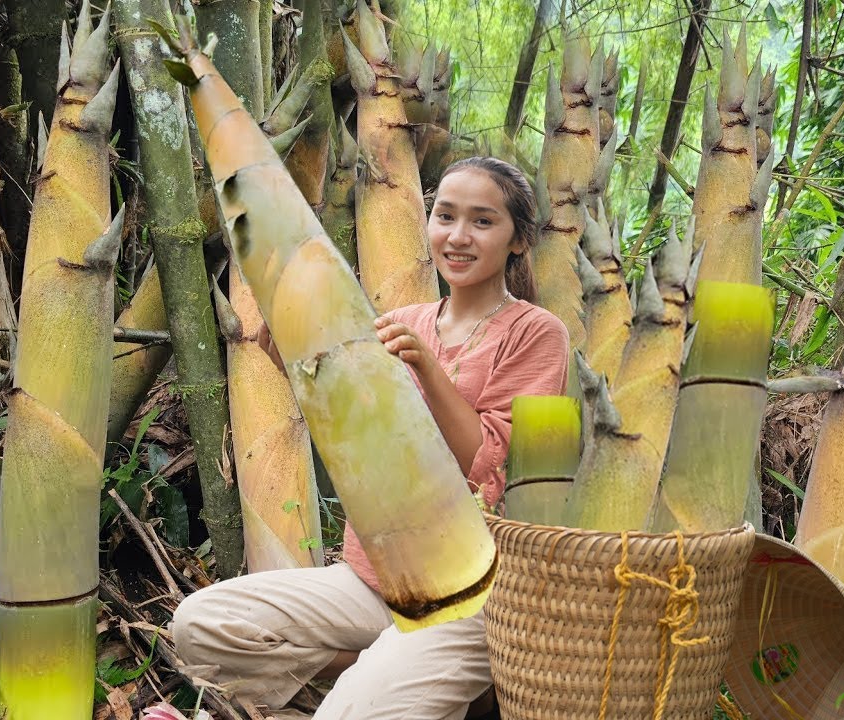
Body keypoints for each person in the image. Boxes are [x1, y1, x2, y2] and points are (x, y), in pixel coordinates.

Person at [171, 156, 570, 719]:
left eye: (483, 222)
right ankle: (381, 668)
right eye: (445, 216)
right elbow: (356, 433)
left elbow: (489, 466)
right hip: (373, 577)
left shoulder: (536, 332)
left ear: (518, 241)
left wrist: (427, 368)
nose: (457, 236)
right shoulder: (405, 318)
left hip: (468, 594)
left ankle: (413, 685)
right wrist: (292, 357)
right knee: (200, 629)